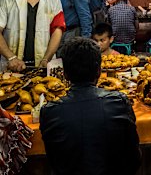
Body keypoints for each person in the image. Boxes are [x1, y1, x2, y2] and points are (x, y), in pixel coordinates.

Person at [40, 37, 140, 175]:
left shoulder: (49, 111)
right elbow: (134, 158)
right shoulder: (119, 102)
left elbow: (53, 160)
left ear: (65, 74)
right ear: (99, 71)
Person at [0, 0, 65, 71]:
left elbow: (57, 31)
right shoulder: (7, 0)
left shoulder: (54, 1)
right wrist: (10, 56)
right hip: (12, 64)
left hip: (43, 63)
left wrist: (46, 58)